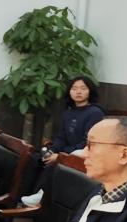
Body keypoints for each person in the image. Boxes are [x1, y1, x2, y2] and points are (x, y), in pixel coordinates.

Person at [22, 76, 107, 206]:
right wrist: (52, 151)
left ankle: (41, 199)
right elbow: (61, 137)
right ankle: (23, 198)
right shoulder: (68, 112)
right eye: (74, 88)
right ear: (69, 91)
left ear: (90, 91)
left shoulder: (95, 112)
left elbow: (87, 142)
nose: (78, 92)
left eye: (83, 88)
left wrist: (61, 156)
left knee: (54, 164)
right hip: (65, 152)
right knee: (34, 158)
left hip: (82, 155)